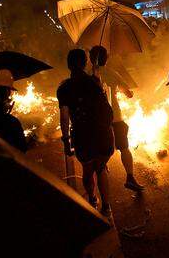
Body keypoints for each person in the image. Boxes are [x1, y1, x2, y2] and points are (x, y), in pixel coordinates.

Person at [57, 49, 115, 217]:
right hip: (102, 133)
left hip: (82, 136)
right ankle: (107, 208)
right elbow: (107, 108)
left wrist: (66, 141)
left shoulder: (64, 88)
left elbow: (64, 117)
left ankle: (92, 199)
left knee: (88, 170)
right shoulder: (94, 82)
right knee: (101, 168)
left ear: (68, 65)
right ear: (85, 63)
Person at [89, 46, 144, 192]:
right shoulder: (112, 73)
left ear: (90, 59)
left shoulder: (88, 76)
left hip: (96, 121)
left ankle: (95, 188)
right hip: (115, 117)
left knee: (100, 153)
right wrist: (122, 91)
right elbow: (129, 94)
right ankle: (130, 178)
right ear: (106, 59)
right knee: (124, 148)